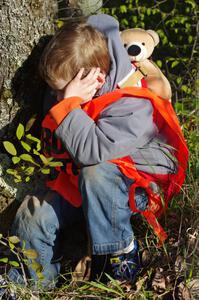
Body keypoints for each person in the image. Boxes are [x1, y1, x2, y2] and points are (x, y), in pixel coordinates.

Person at [1, 14, 188, 295]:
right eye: (55, 90)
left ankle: (118, 258)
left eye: (62, 90)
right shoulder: (70, 91)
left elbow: (93, 152)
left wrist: (69, 105)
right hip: (84, 182)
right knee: (34, 213)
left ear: (95, 78)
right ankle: (27, 284)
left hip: (133, 187)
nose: (56, 97)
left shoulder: (133, 102)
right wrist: (68, 100)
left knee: (96, 172)